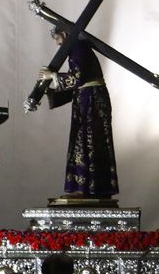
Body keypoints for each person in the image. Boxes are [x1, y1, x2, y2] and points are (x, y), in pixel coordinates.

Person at [41, 29, 119, 199]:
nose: (57, 42)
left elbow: (78, 77)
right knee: (87, 141)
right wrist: (52, 91)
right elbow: (79, 82)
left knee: (85, 141)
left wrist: (53, 76)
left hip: (91, 101)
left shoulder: (77, 46)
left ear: (65, 33)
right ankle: (93, 188)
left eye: (57, 37)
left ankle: (85, 189)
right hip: (88, 98)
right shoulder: (77, 47)